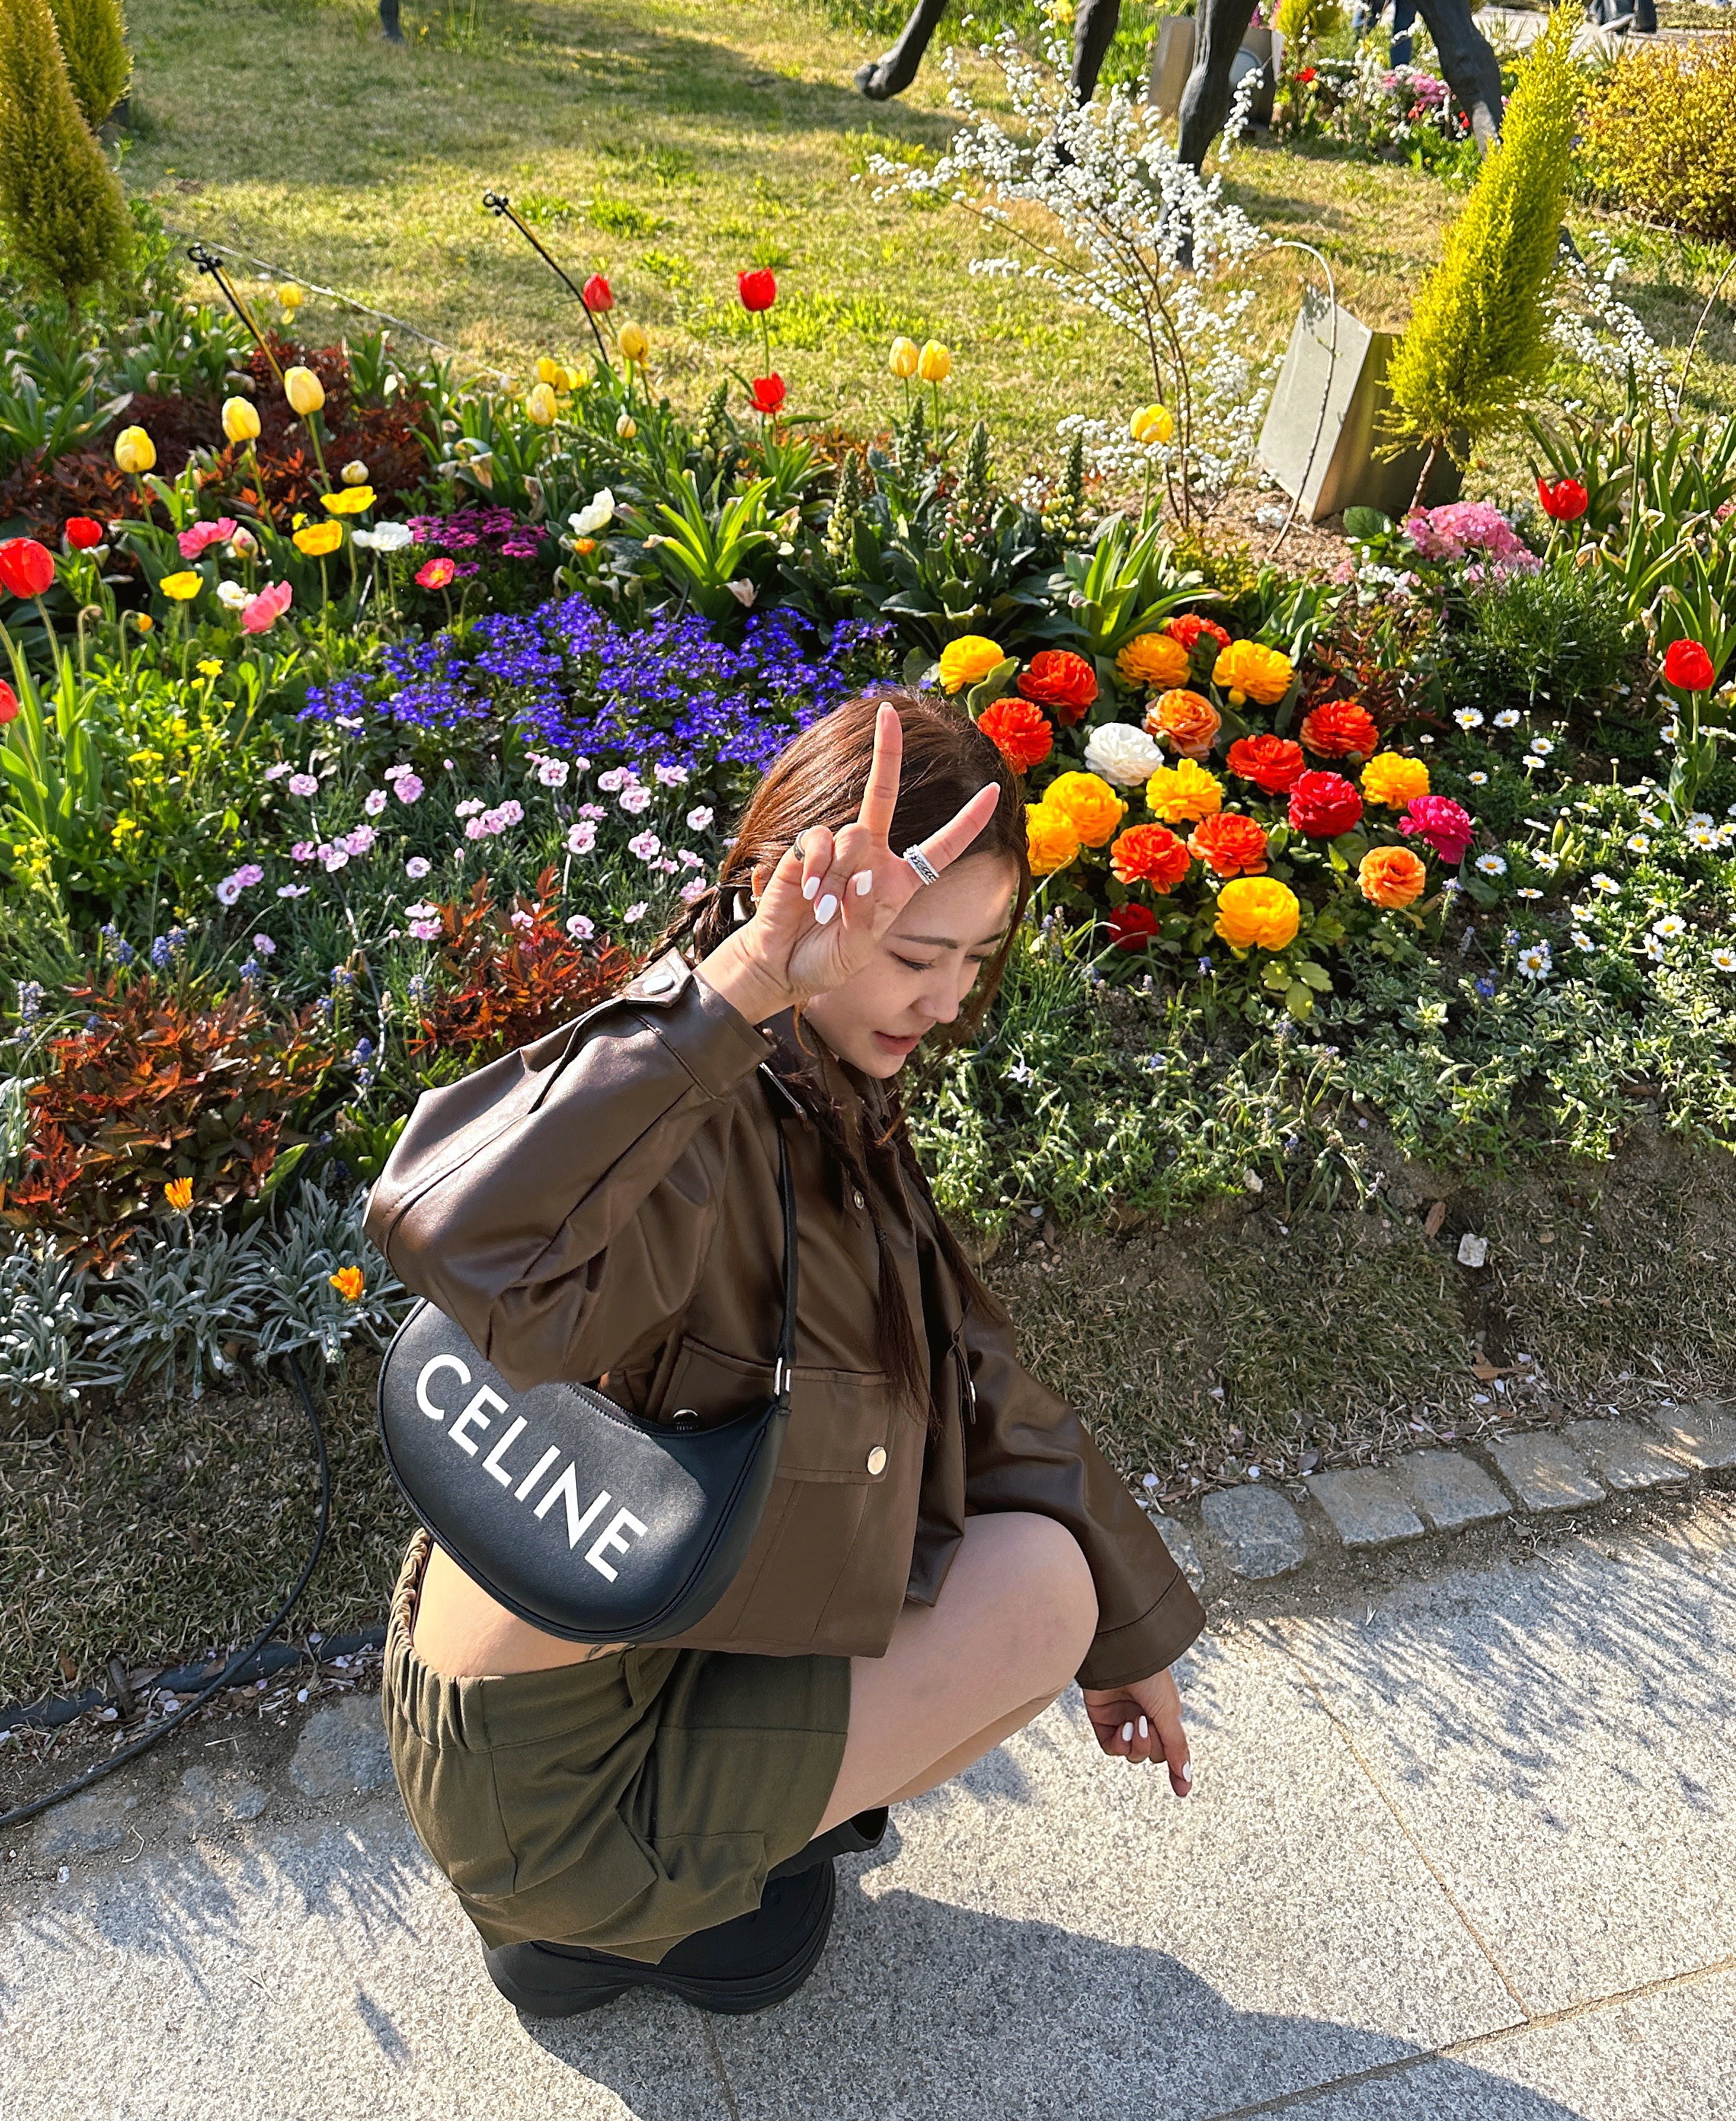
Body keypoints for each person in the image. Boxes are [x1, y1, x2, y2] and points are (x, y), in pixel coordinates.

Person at [367, 693, 1206, 2018]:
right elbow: (461, 1248)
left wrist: (1134, 1622)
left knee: (1064, 1587)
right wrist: (747, 983)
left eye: (976, 961)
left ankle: (676, 1871)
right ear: (777, 895)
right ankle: (617, 1925)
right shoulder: (701, 1105)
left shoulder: (809, 1082)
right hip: (551, 1791)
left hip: (601, 1668)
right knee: (1038, 1595)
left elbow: (960, 1353)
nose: (943, 1001)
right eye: (917, 953)